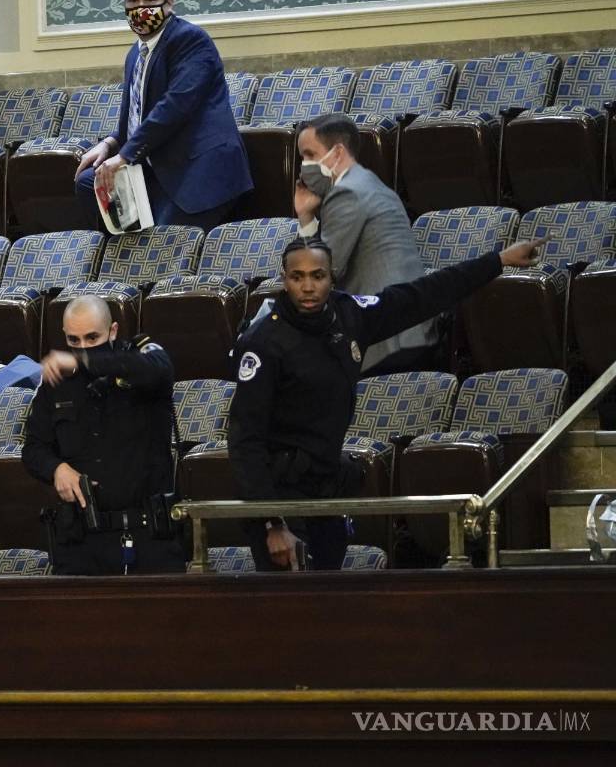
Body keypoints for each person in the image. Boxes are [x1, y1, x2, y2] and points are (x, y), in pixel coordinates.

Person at [228, 235, 546, 572]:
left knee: (331, 605)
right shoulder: (263, 343)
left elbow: (421, 296)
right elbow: (245, 440)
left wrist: (498, 261)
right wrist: (271, 523)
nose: (308, 286)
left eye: (317, 276)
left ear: (332, 276)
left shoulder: (348, 314)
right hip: (280, 495)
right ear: (284, 279)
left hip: (327, 488)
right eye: (297, 277)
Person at [74, 0, 252, 232]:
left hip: (196, 171)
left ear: (169, 4)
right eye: (133, 2)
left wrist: (124, 157)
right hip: (156, 170)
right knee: (89, 182)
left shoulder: (190, 40)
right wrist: (110, 144)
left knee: (161, 240)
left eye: (149, 1)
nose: (140, 9)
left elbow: (174, 107)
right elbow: (136, 115)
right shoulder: (136, 54)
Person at [22, 296, 183, 575]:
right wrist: (56, 468)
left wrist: (81, 361)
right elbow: (34, 449)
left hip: (150, 538)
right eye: (73, 341)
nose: (83, 347)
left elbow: (160, 367)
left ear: (113, 331)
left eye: (92, 338)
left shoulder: (138, 361)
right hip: (83, 541)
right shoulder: (58, 382)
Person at [294, 113, 435, 375]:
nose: (304, 166)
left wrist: (305, 217)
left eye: (310, 155)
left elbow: (320, 271)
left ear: (336, 153)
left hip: (388, 340)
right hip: (407, 330)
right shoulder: (367, 183)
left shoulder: (347, 192)